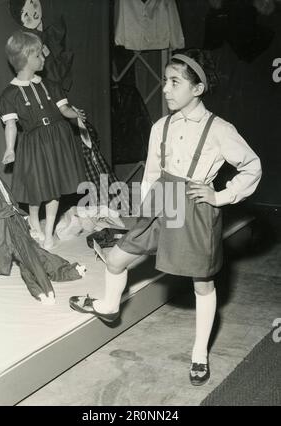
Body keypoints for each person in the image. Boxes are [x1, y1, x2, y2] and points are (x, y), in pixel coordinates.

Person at [69, 49, 262, 386]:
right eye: (165, 81)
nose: (166, 89)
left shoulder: (220, 129)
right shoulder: (161, 125)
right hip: (162, 200)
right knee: (115, 259)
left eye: (175, 82)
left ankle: (200, 354)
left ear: (198, 88)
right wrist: (144, 211)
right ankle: (110, 305)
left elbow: (252, 166)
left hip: (194, 206)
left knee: (202, 283)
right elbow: (152, 173)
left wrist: (220, 195)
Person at [0, 30, 86, 250]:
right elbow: (10, 125)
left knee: (54, 188)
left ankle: (49, 234)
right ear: (25, 58)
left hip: (57, 140)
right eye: (39, 55)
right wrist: (10, 148)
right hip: (34, 144)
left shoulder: (50, 85)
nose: (44, 59)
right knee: (36, 187)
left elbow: (64, 109)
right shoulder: (9, 94)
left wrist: (76, 114)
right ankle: (35, 226)